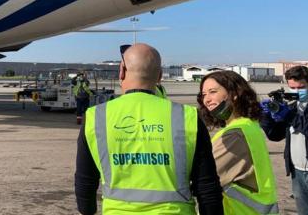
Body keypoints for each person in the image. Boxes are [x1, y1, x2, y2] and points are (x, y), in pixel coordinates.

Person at [75, 43, 223, 215]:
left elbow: (85, 183)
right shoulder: (187, 117)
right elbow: (207, 187)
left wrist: (87, 210)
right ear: (159, 76)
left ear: (121, 71)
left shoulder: (96, 117)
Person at [199, 70, 278, 215]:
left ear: (234, 94)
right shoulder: (248, 125)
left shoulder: (235, 134)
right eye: (204, 94)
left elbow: (203, 178)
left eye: (213, 92)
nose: (207, 100)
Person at [261, 65, 308, 214]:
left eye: (301, 87)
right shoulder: (291, 107)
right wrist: (266, 116)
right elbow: (275, 135)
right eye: (293, 87)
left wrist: (290, 117)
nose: (297, 91)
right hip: (297, 173)